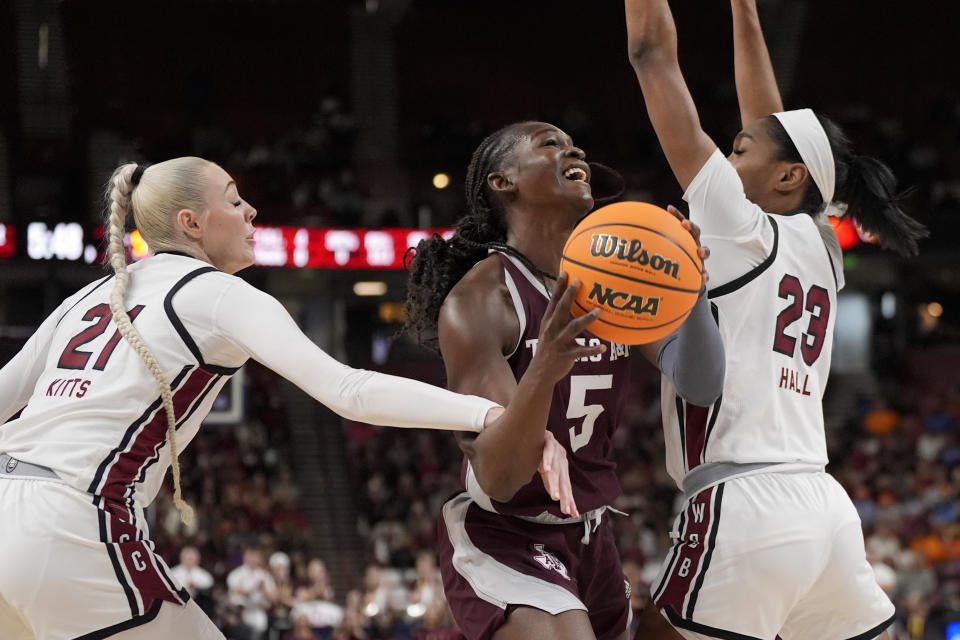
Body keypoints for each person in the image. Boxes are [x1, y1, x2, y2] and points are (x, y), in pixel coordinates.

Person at [0, 156, 592, 639]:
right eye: (233, 199)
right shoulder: (216, 294)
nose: (252, 209)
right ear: (192, 223)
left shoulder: (92, 296)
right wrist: (490, 411)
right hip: (76, 521)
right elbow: (349, 391)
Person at [624, 1, 928, 639]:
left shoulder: (737, 224)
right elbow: (770, 121)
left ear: (789, 175)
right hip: (823, 509)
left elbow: (651, 56)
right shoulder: (821, 240)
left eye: (737, 150)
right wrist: (744, 10)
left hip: (744, 506)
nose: (725, 164)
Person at [403, 121, 725, 640]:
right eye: (549, 143)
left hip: (593, 533)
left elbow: (700, 383)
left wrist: (693, 291)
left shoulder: (610, 281)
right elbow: (501, 477)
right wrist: (544, 369)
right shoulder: (483, 299)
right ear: (502, 181)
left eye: (574, 142)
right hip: (505, 530)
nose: (572, 148)